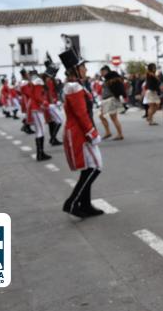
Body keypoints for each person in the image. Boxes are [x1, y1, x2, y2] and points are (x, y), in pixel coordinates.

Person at [59, 48, 104, 218]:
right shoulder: (74, 87)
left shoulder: (76, 86)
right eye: (82, 67)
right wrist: (91, 133)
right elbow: (81, 114)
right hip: (80, 133)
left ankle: (85, 204)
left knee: (89, 168)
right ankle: (72, 202)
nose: (85, 69)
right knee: (95, 167)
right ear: (75, 70)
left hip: (80, 131)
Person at [28, 69, 51, 161]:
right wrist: (45, 102)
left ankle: (40, 153)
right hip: (37, 108)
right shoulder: (39, 82)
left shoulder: (37, 82)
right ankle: (40, 153)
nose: (49, 80)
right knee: (41, 131)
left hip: (36, 108)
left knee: (39, 131)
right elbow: (38, 96)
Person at [98, 65, 125, 140]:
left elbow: (118, 86)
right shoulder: (107, 79)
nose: (101, 74)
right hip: (106, 100)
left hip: (111, 99)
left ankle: (120, 134)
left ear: (106, 71)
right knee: (101, 116)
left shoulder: (112, 78)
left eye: (102, 72)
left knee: (114, 118)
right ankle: (108, 132)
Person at [43, 54, 64, 146]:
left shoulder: (50, 79)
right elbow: (49, 93)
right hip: (51, 104)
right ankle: (52, 138)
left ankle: (53, 138)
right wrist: (52, 103)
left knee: (52, 122)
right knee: (59, 120)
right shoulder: (48, 80)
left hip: (51, 103)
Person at [18, 68, 34, 135]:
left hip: (26, 99)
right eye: (27, 74)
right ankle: (26, 127)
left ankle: (26, 127)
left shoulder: (24, 81)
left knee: (28, 115)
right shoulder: (24, 82)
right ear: (25, 74)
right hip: (26, 100)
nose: (28, 75)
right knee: (28, 114)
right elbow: (28, 92)